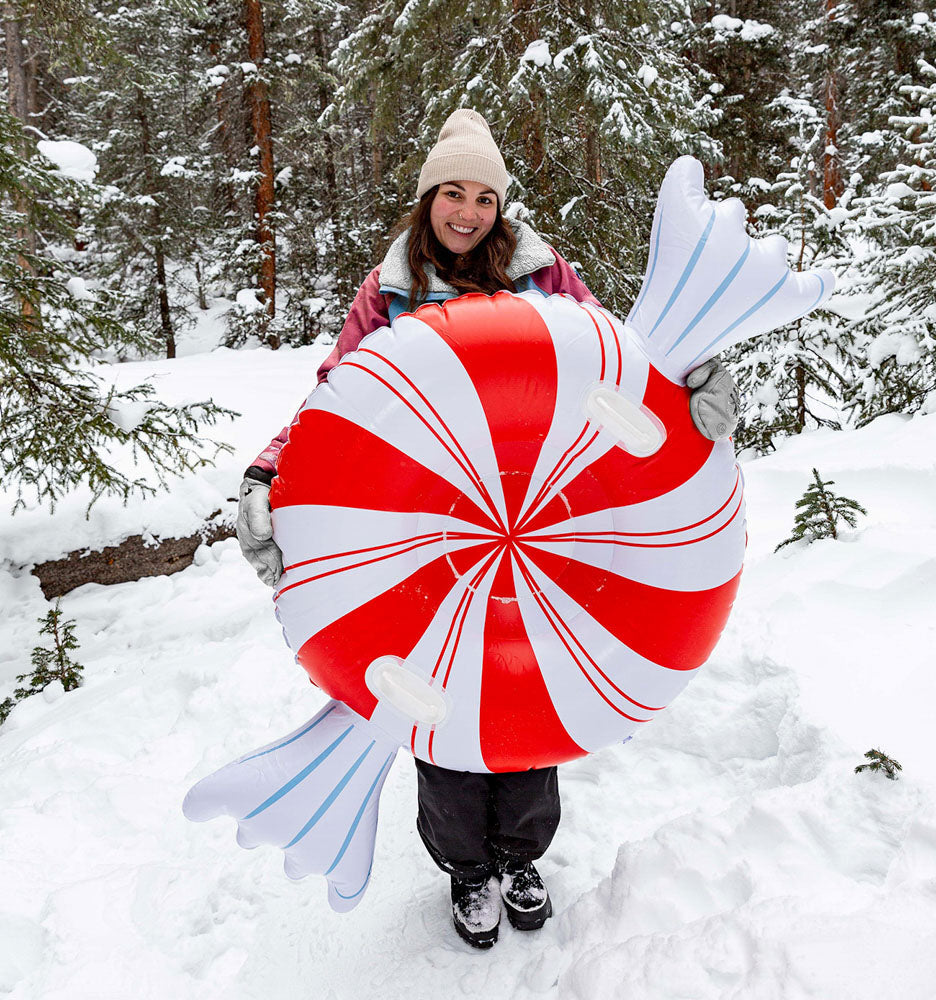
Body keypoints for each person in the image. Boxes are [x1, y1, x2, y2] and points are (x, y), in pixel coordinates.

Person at [236, 110, 737, 949]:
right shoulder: (389, 292)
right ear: (428, 196)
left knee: (528, 695)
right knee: (437, 704)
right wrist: (267, 472)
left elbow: (621, 362)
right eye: (452, 194)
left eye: (484, 198)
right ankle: (467, 865)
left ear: (501, 207)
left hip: (548, 528)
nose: (467, 213)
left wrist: (693, 379)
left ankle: (519, 855)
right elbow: (334, 399)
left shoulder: (543, 277)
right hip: (423, 537)